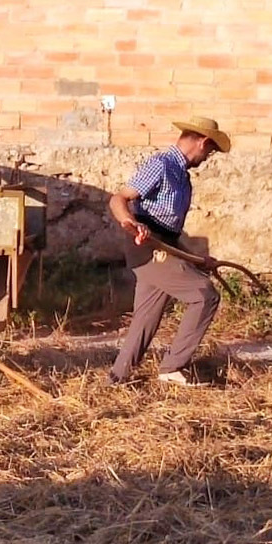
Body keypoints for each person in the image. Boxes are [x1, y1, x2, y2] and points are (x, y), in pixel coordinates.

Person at [106, 115, 230, 386]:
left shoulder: (182, 176)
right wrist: (130, 222)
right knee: (204, 294)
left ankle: (117, 378)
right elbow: (119, 198)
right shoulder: (161, 164)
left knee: (146, 316)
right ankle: (172, 368)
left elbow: (170, 234)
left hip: (164, 246)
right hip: (147, 247)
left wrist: (198, 260)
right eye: (210, 150)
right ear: (203, 142)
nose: (209, 157)